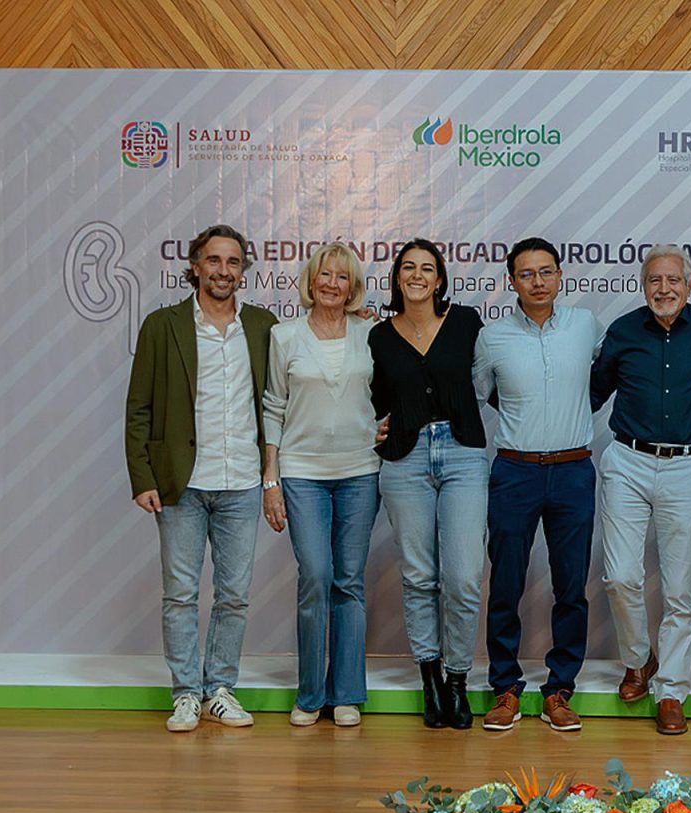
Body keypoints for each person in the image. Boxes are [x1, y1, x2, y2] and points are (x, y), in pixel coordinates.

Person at [125, 224, 277, 732]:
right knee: (181, 594)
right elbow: (139, 410)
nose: (223, 271)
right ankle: (186, 693)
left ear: (243, 271)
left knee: (234, 594)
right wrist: (142, 476)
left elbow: (286, 391)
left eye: (233, 262)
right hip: (180, 483)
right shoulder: (162, 325)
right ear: (194, 266)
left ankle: (220, 689)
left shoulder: (262, 326)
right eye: (213, 260)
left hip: (241, 481)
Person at [591, 244, 691, 735]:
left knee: (679, 589)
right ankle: (638, 660)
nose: (664, 289)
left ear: (690, 285)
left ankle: (671, 689)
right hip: (627, 459)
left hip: (687, 465)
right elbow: (590, 391)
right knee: (621, 576)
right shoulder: (623, 331)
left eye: (674, 280)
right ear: (643, 285)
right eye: (655, 280)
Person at [472, 238, 604, 733]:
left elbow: (605, 373)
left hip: (573, 471)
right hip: (515, 471)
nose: (537, 281)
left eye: (545, 271)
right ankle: (505, 687)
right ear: (512, 282)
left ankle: (559, 689)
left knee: (571, 584)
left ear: (560, 275)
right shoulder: (492, 337)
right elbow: (483, 394)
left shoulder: (585, 325)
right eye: (526, 274)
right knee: (506, 582)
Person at [369, 240, 487, 730]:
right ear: (397, 277)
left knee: (461, 577)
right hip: (404, 458)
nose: (417, 275)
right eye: (408, 268)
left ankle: (458, 677)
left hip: (462, 454)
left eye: (428, 268)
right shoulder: (377, 334)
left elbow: (489, 382)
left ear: (440, 279)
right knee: (418, 576)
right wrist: (374, 423)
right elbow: (370, 394)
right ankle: (430, 679)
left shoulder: (467, 324)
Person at [261, 243, 379, 728]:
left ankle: (346, 693)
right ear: (311, 281)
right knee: (315, 575)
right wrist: (270, 478)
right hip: (302, 472)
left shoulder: (371, 333)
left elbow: (391, 390)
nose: (332, 283)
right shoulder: (283, 336)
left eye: (342, 277)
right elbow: (272, 405)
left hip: (359, 471)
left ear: (353, 287)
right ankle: (310, 693)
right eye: (324, 275)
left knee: (349, 580)